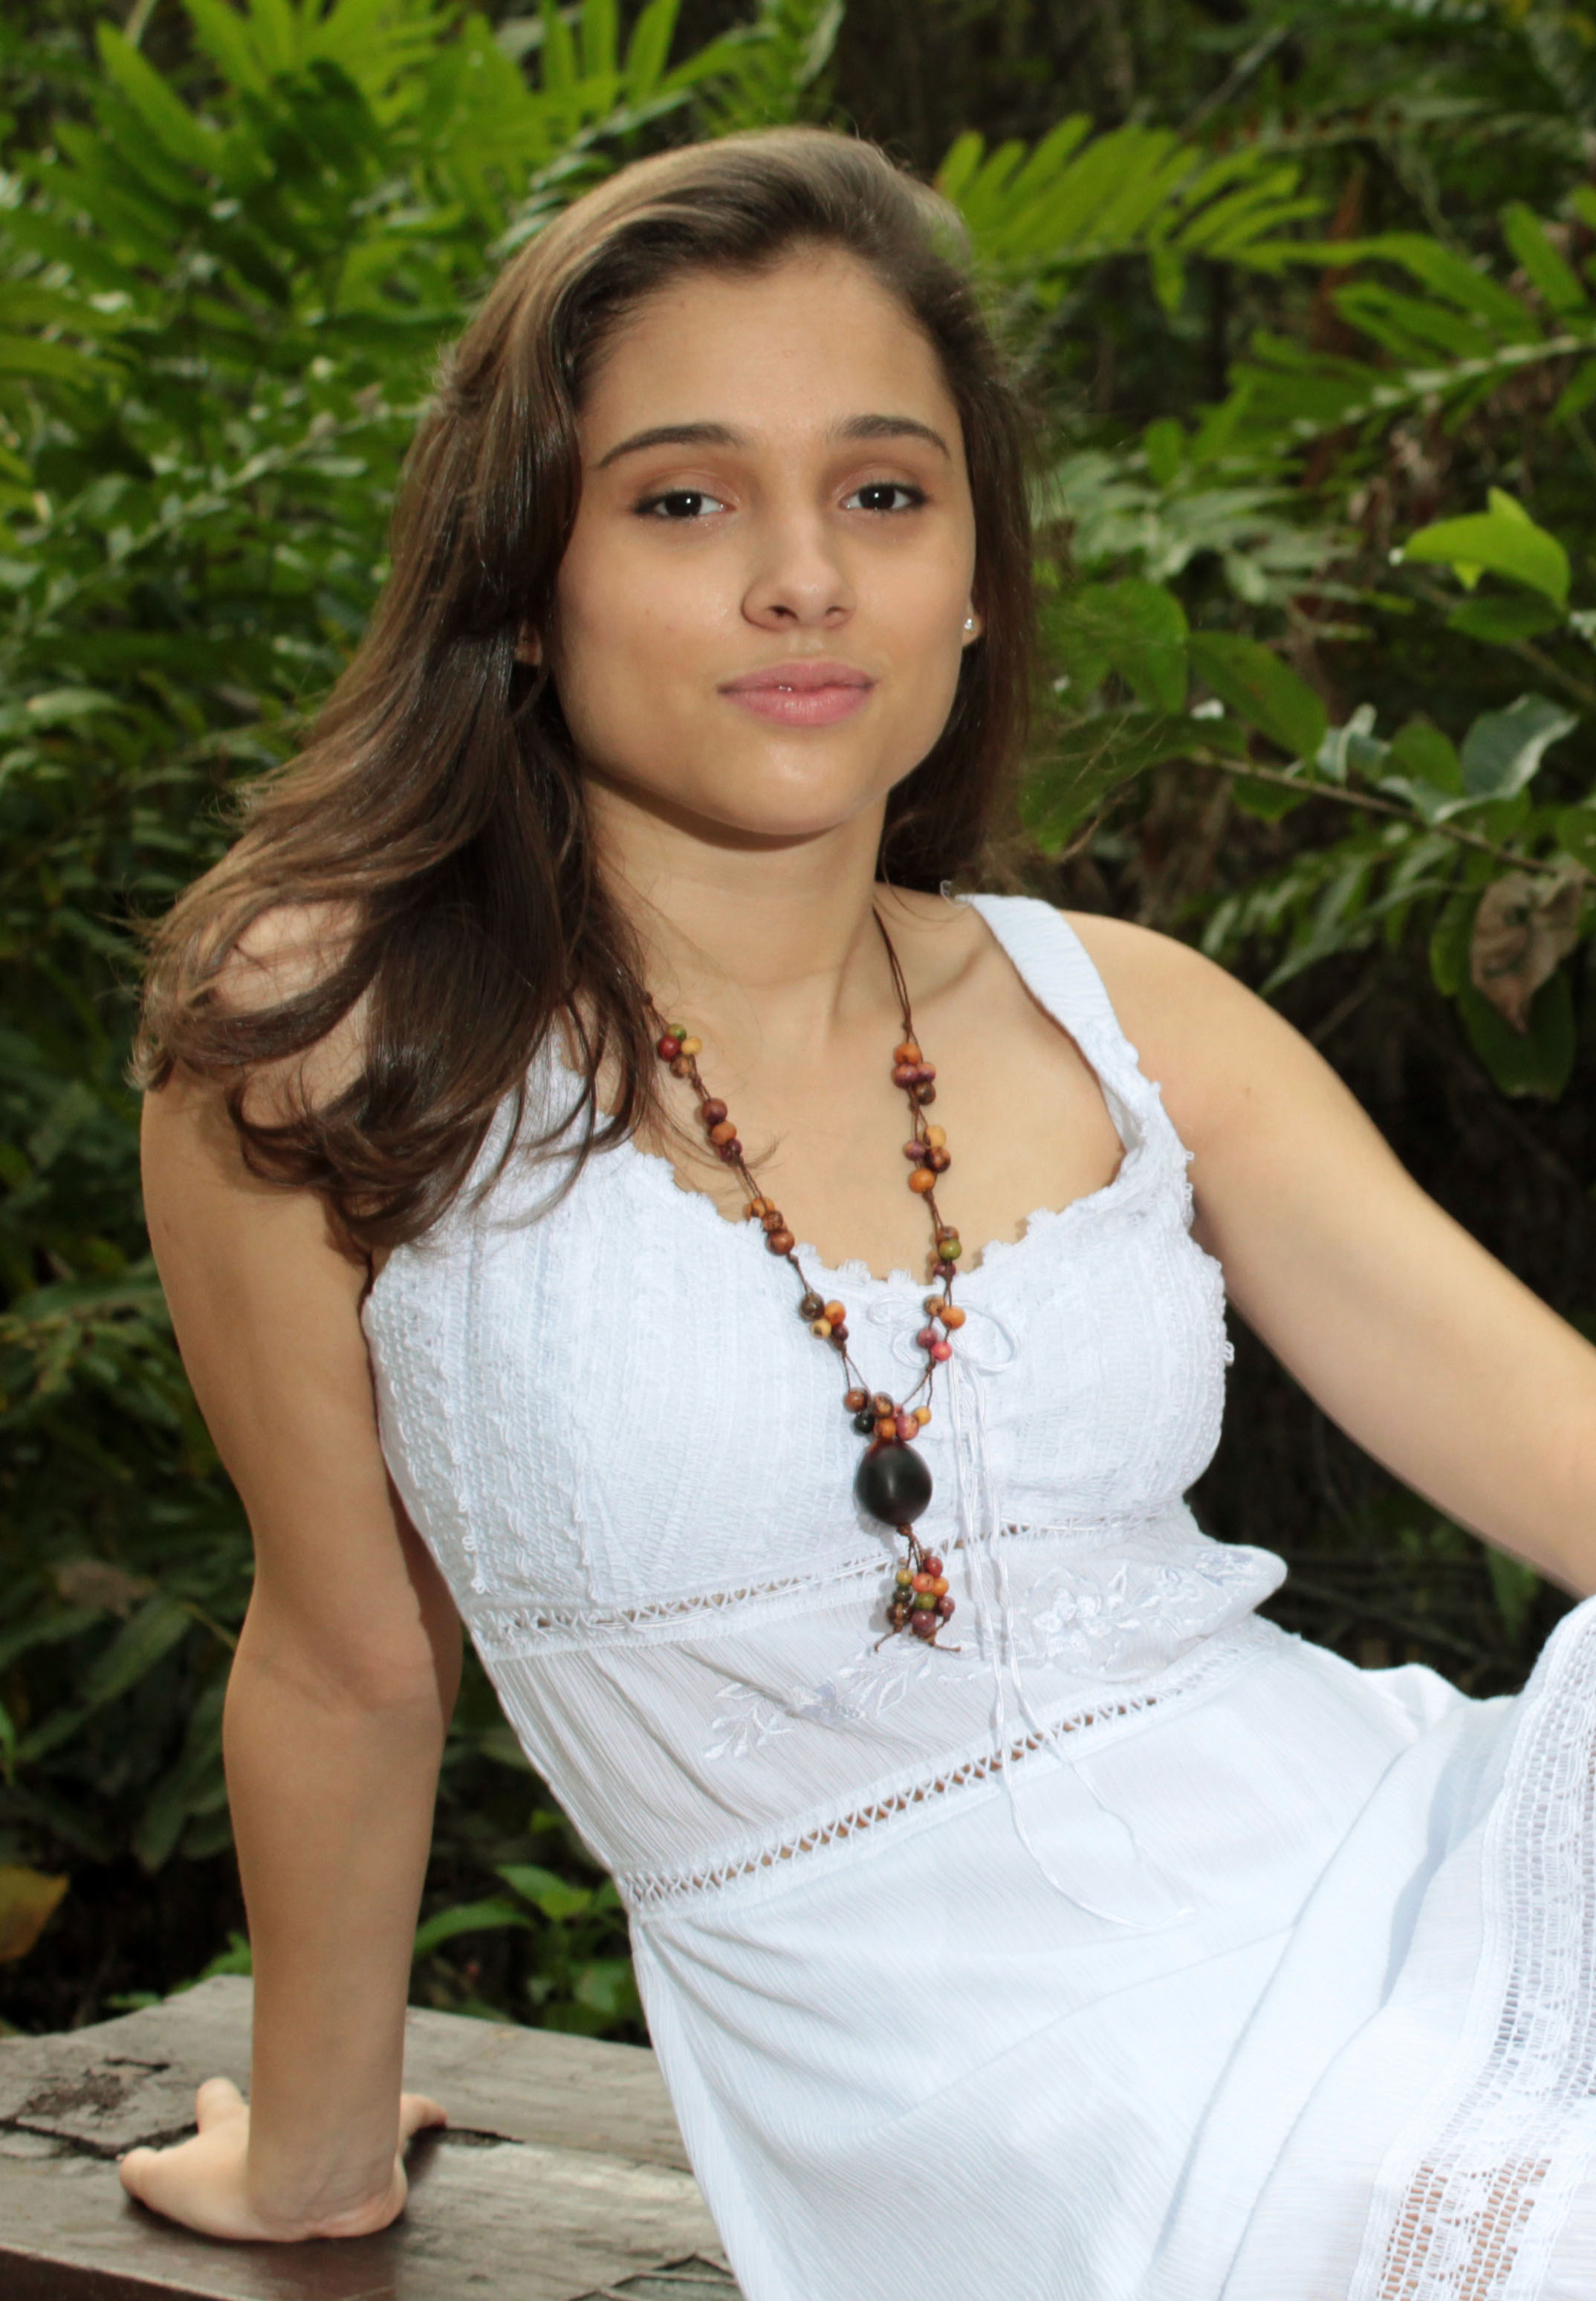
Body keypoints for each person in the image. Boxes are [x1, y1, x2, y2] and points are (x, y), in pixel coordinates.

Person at [117, 125, 1596, 2301]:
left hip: (1414, 1888)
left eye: (885, 494)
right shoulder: (328, 1028)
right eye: (685, 500)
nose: (804, 578)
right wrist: (312, 2159)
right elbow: (349, 1659)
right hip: (1014, 2114)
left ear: (976, 575)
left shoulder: (1133, 1019)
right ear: (521, 577)